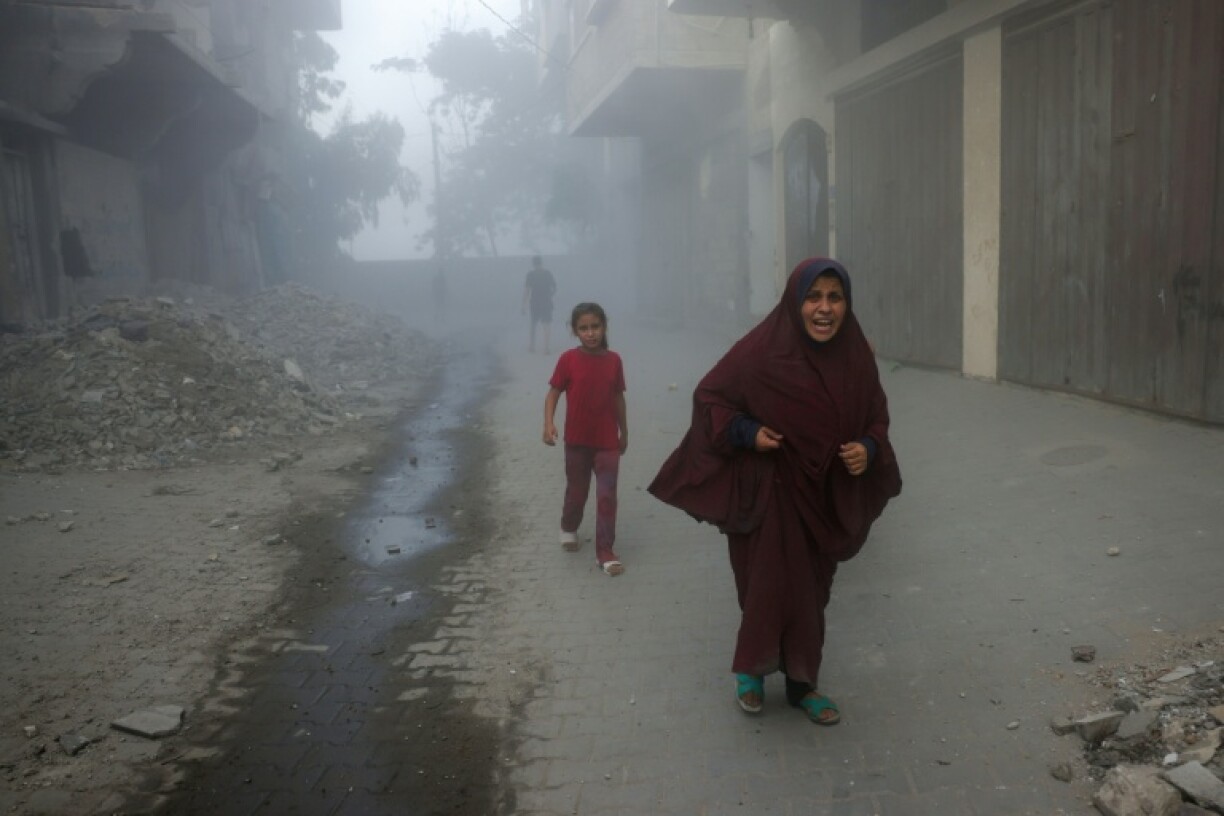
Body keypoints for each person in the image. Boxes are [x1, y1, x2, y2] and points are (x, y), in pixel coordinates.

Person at [648, 257, 901, 724]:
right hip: (767, 495)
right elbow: (710, 398)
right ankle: (752, 670)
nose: (824, 309)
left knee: (811, 593)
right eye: (813, 297)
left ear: (846, 303)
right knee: (764, 586)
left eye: (834, 297)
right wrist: (747, 433)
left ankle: (804, 683)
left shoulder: (856, 357)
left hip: (823, 498)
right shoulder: (760, 352)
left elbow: (876, 415)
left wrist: (868, 447)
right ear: (794, 301)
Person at [543, 302, 629, 577]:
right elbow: (553, 393)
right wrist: (548, 424)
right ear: (575, 331)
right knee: (577, 492)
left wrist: (624, 432)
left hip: (607, 442)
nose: (590, 333)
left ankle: (605, 551)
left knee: (607, 496)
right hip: (577, 442)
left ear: (604, 327)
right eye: (584, 328)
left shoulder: (614, 360)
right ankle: (568, 527)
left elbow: (618, 397)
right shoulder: (569, 359)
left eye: (595, 327)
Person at [522, 255, 557, 353]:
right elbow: (554, 288)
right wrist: (549, 295)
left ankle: (532, 346)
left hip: (535, 303)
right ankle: (546, 348)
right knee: (546, 324)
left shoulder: (531, 275)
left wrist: (523, 305)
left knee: (533, 324)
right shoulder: (547, 274)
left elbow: (527, 291)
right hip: (546, 302)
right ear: (541, 263)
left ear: (533, 264)